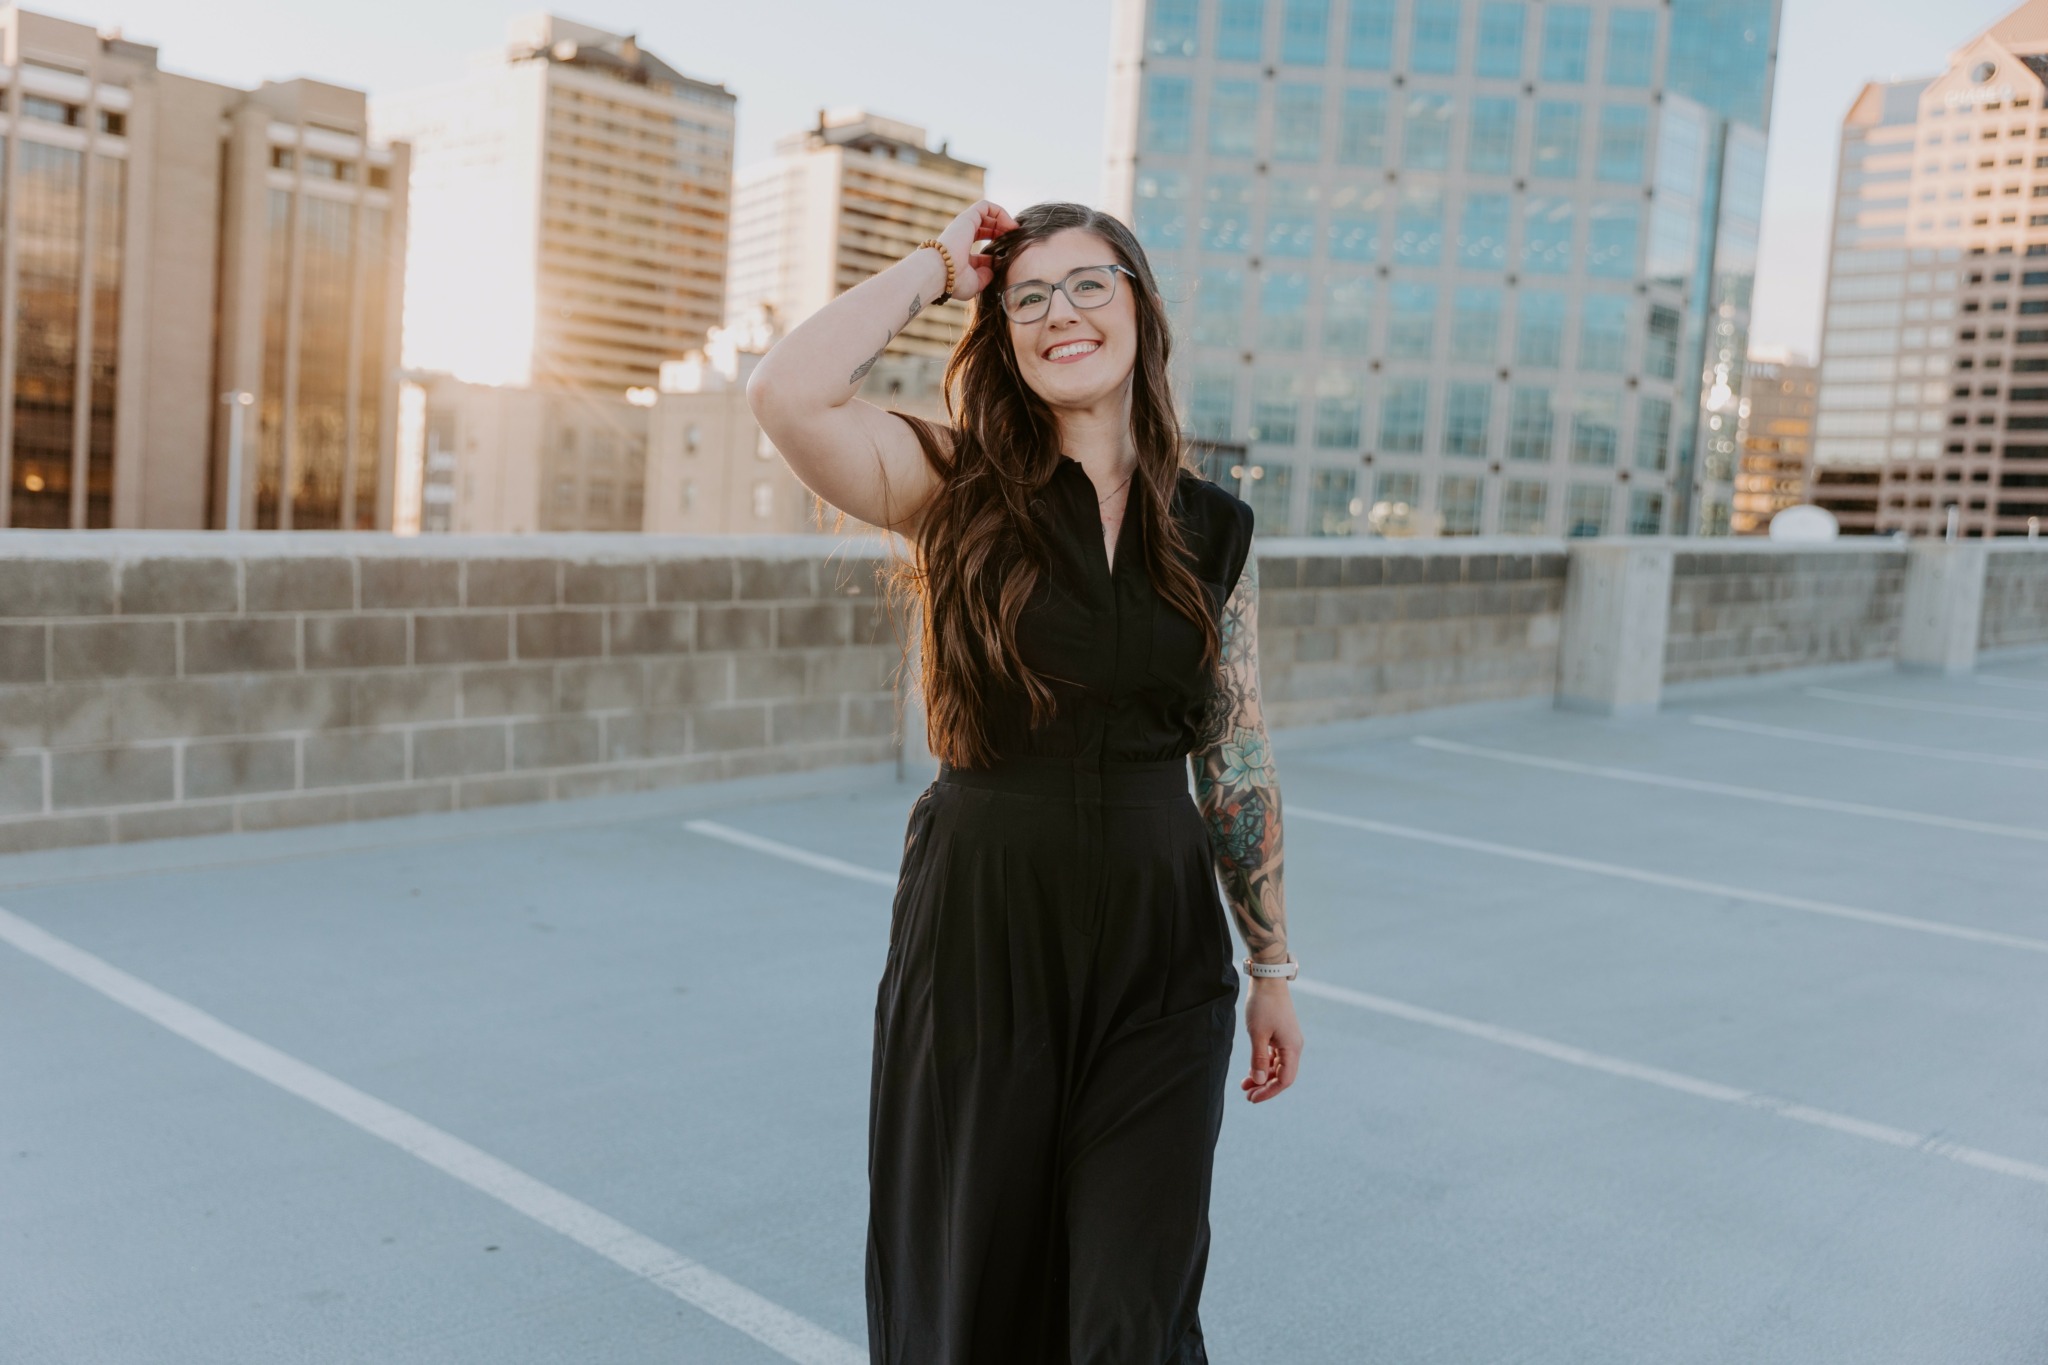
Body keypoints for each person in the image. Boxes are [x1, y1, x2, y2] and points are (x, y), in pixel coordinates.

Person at [746, 198, 1303, 1365]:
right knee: (979, 1289)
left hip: (1159, 949)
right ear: (999, 334)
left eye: (1090, 284)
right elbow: (788, 395)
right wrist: (937, 266)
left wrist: (1270, 966)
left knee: (1131, 1310)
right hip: (982, 930)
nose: (1062, 314)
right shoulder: (950, 484)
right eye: (1029, 297)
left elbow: (1235, 750)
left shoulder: (1216, 527)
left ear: (1140, 308)